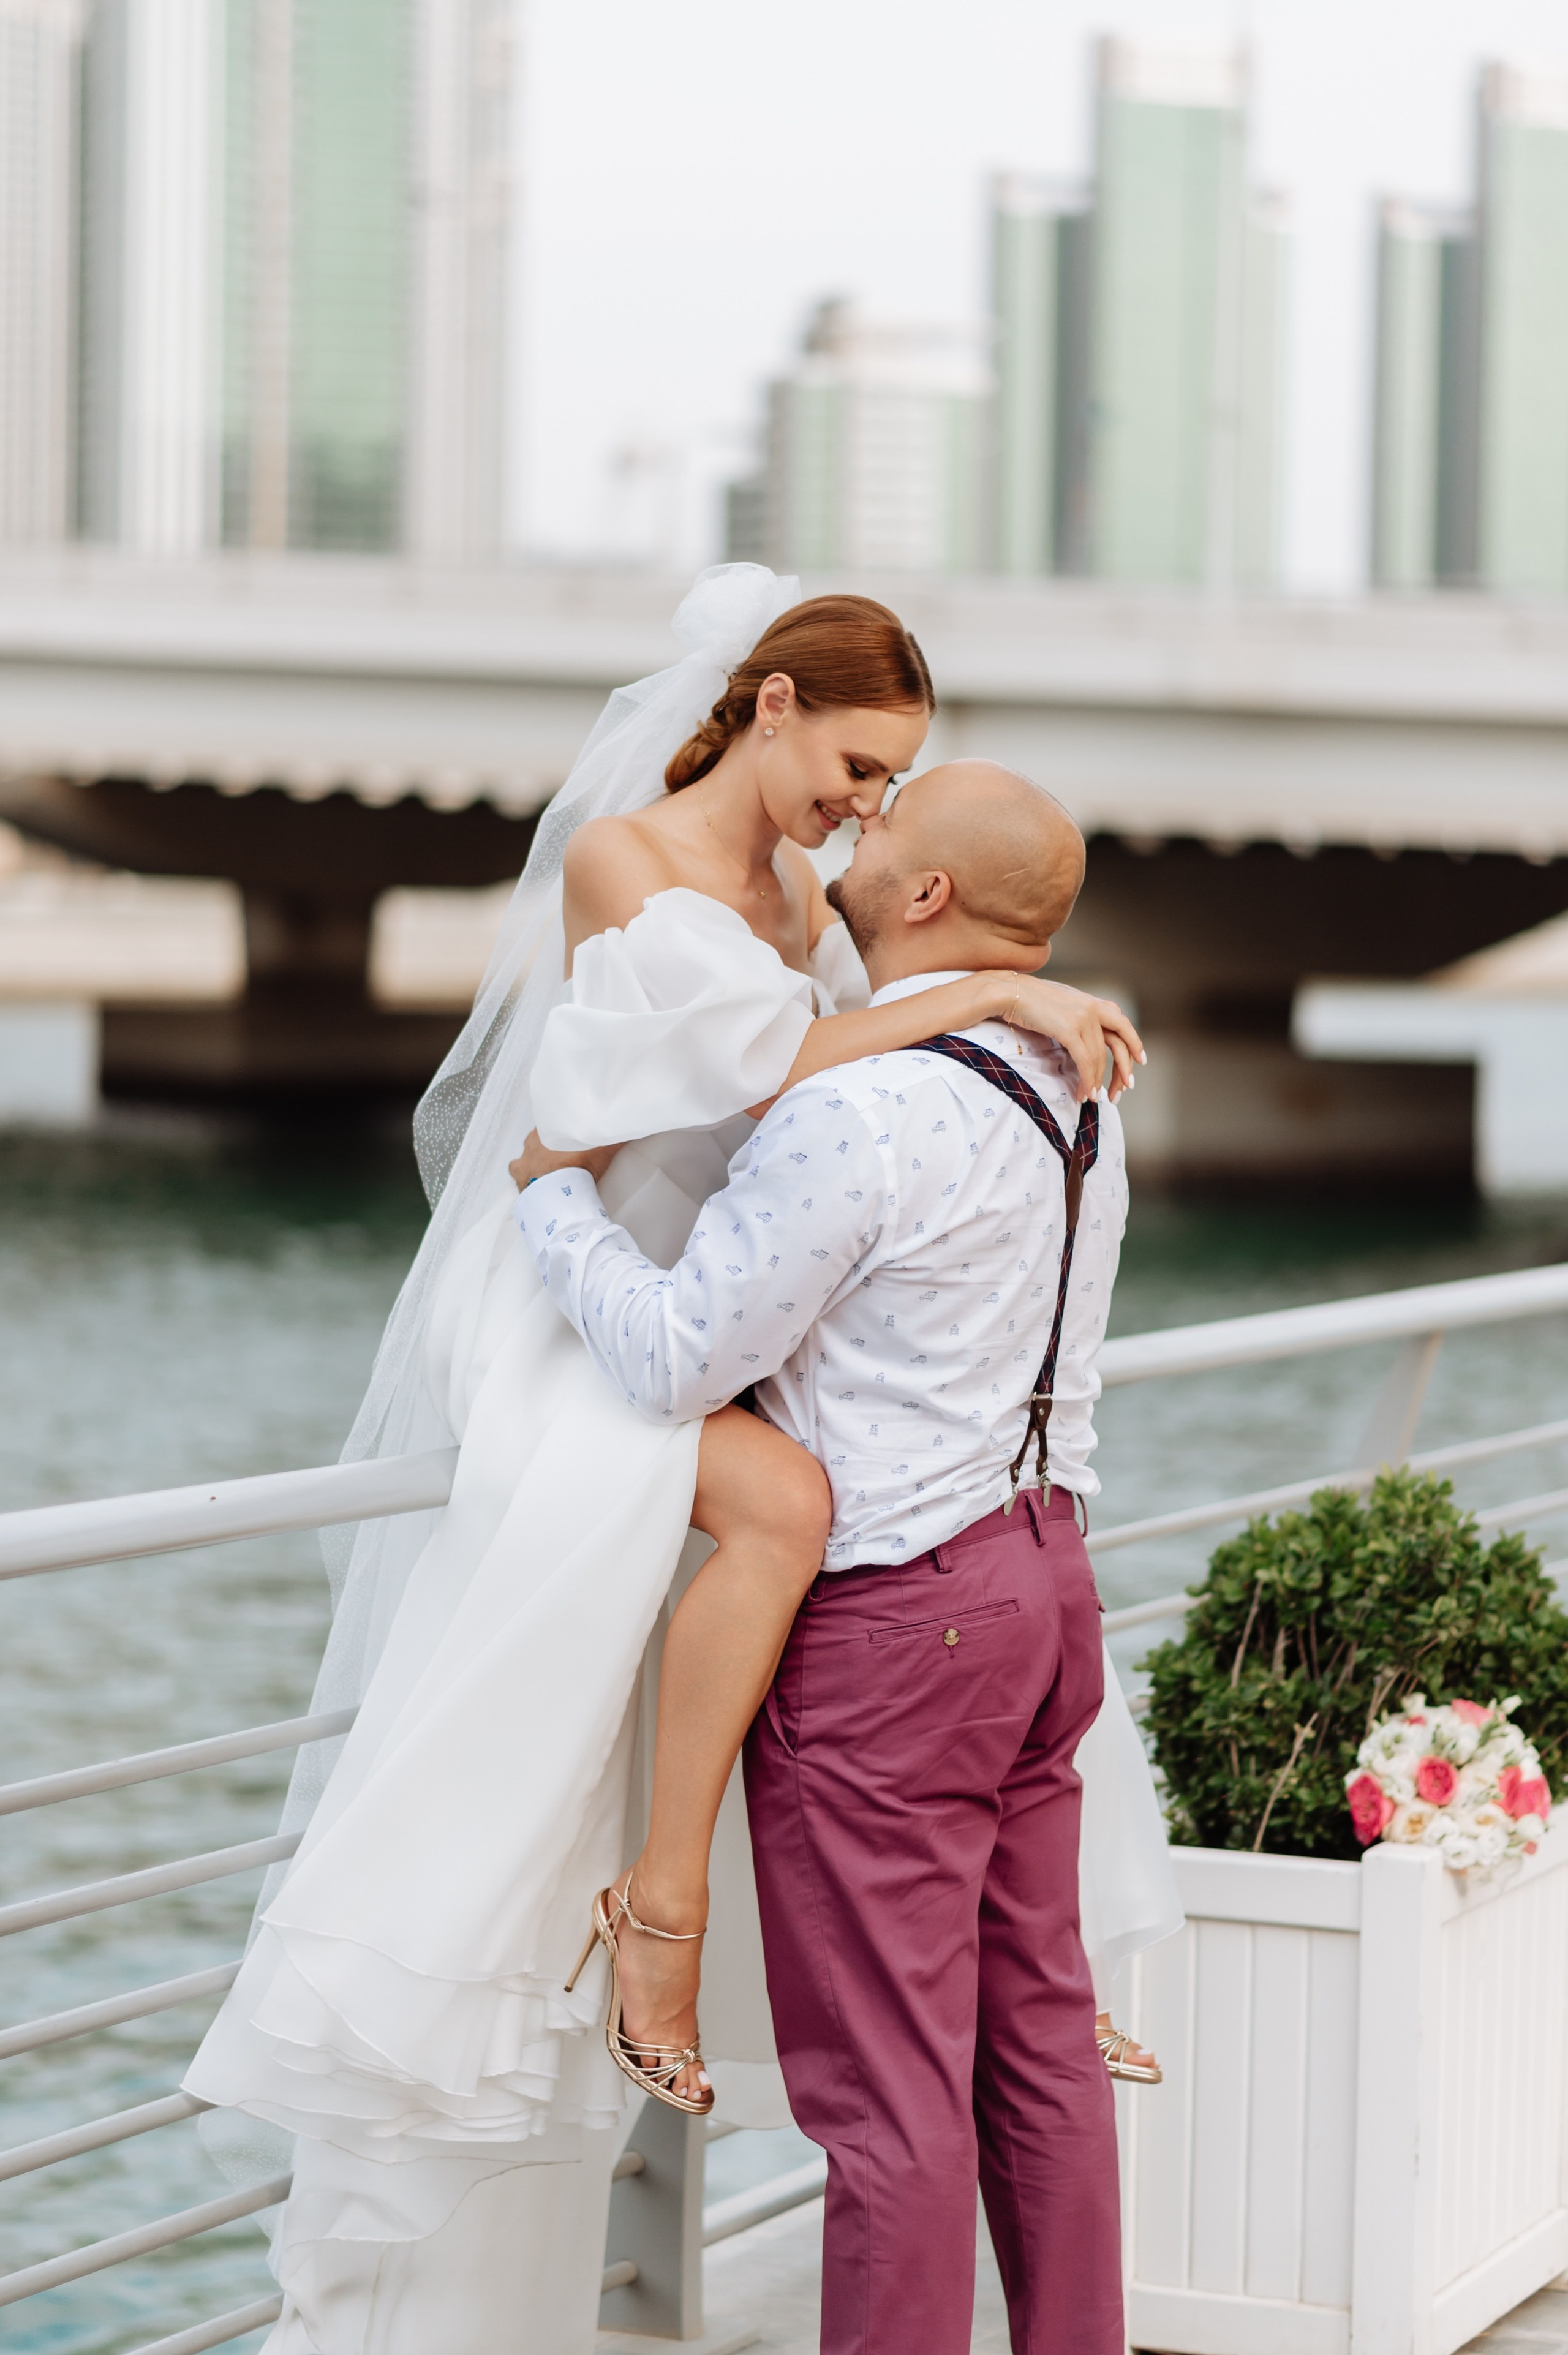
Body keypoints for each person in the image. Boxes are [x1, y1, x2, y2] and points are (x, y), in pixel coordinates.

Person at [184, 568, 1175, 2355]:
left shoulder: (816, 908)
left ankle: (663, 1898)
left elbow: (802, 1103)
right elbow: (764, 1078)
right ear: (772, 700)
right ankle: (654, 1900)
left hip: (716, 1311)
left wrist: (984, 994)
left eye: (894, 796)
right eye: (861, 766)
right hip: (621, 1284)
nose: (864, 813)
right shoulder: (628, 866)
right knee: (1012, 2023)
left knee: (900, 2083)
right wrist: (1001, 1001)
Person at [513, 758, 1126, 2355]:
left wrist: (558, 1205)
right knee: (1040, 2045)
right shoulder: (1071, 1089)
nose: (856, 834)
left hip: (902, 1623)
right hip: (1045, 1582)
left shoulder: (859, 1110)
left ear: (925, 899)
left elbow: (672, 1361)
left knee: (892, 2098)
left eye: (886, 832)